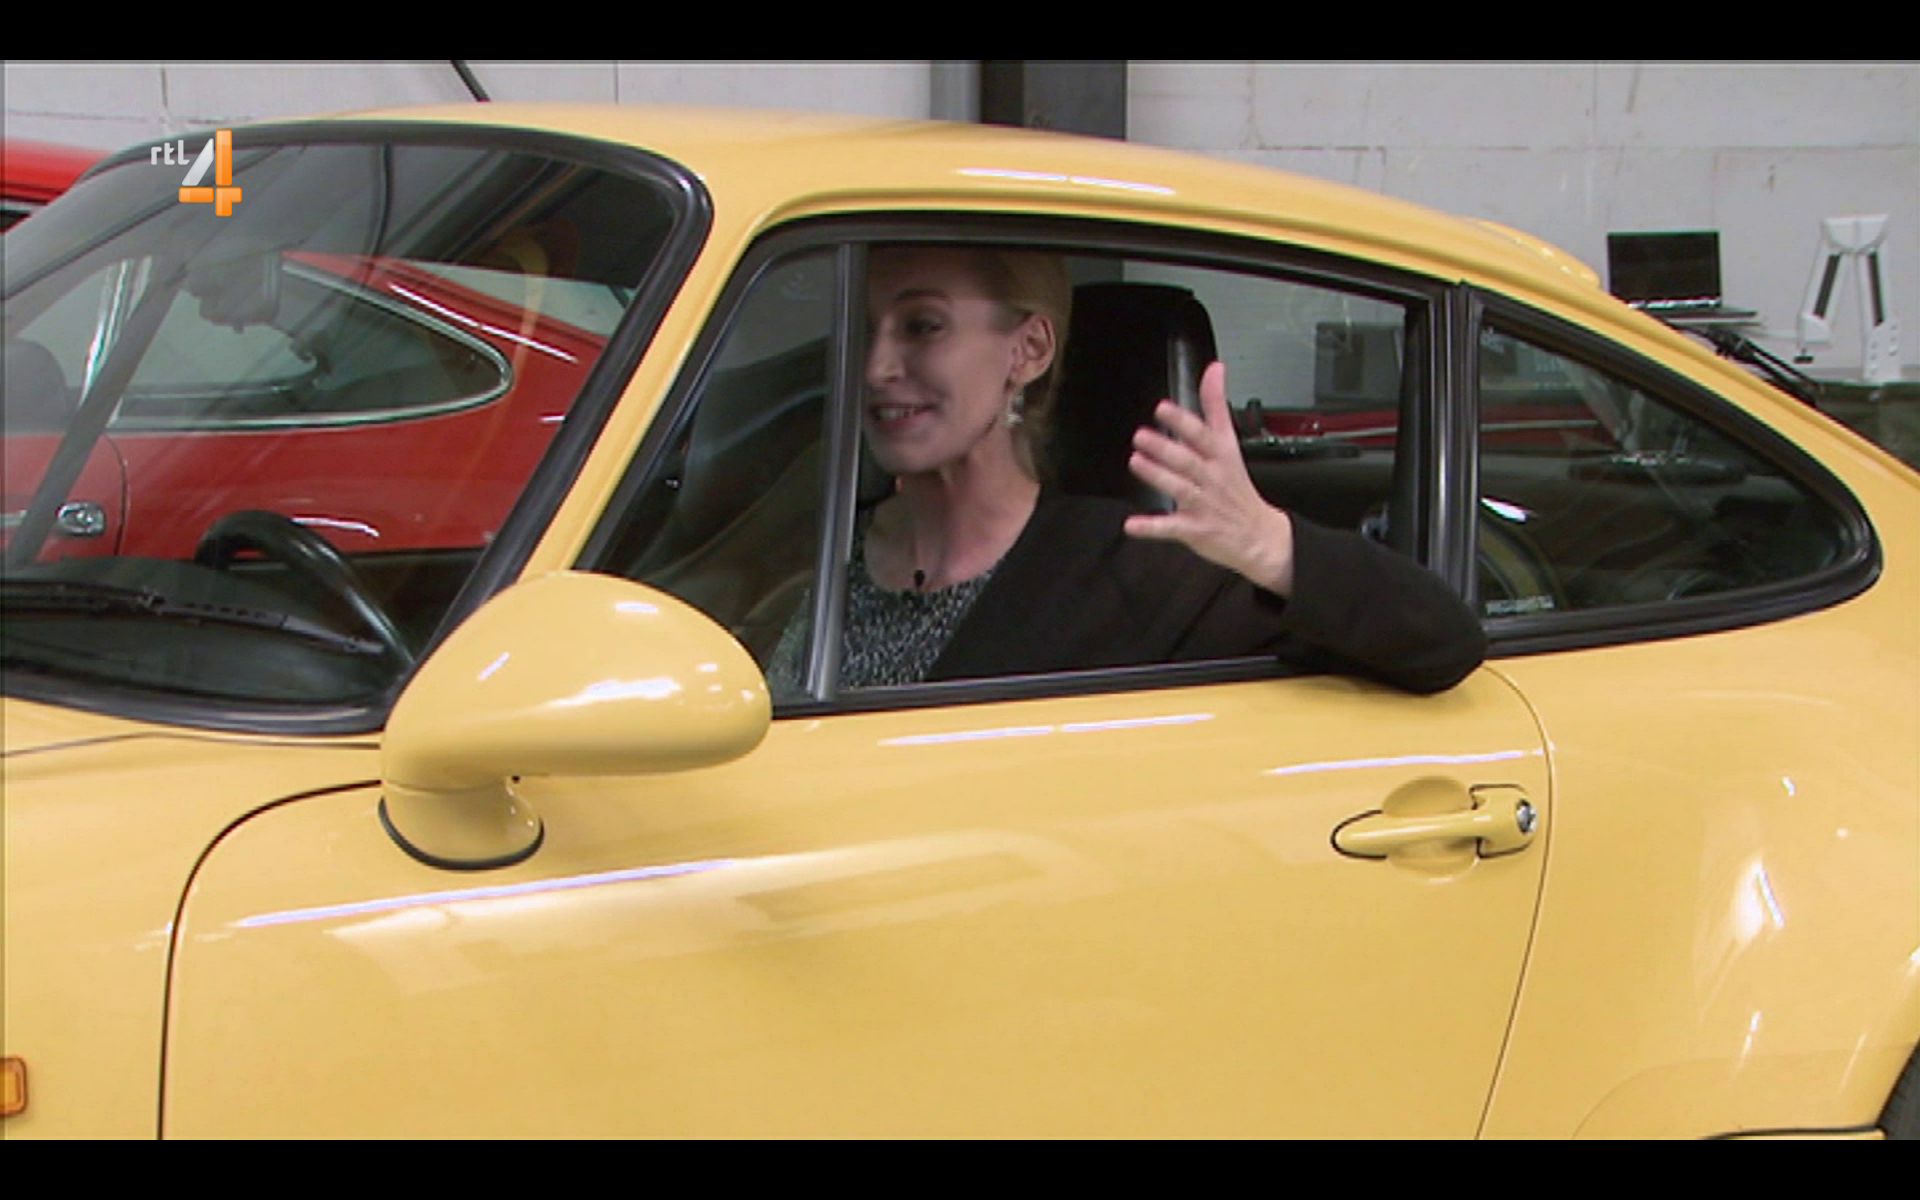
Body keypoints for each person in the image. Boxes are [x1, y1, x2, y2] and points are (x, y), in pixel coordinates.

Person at [767, 245, 1485, 695]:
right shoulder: (811, 548)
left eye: (923, 326)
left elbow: (1442, 642)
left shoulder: (1138, 572)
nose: (876, 367)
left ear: (1028, 350)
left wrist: (1269, 542)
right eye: (863, 330)